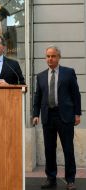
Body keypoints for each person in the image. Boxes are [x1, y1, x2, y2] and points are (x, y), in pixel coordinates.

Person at [32, 46, 81, 190]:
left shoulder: (68, 73)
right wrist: (36, 114)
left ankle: (70, 180)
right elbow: (38, 97)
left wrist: (77, 114)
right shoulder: (40, 76)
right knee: (49, 149)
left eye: (53, 56)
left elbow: (76, 95)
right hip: (48, 116)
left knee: (68, 149)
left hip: (65, 116)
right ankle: (51, 178)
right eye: (47, 56)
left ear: (59, 57)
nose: (50, 59)